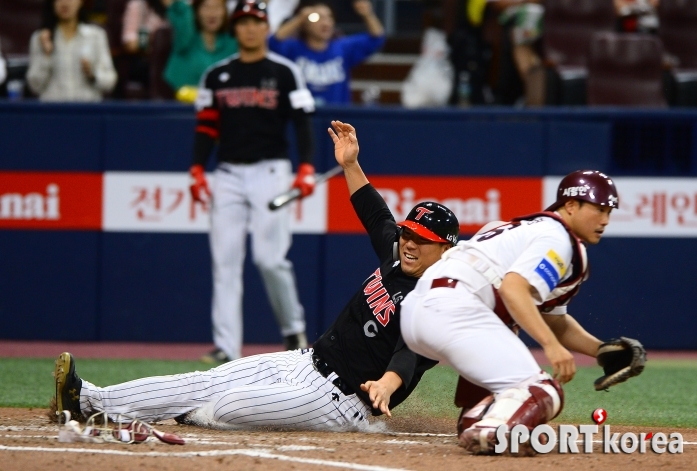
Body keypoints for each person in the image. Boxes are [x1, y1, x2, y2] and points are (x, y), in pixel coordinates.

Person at [52, 120, 460, 430]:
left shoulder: (436, 299)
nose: (409, 242)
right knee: (205, 382)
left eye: (422, 239)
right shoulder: (397, 254)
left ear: (446, 249)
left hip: (341, 401)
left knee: (226, 405)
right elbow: (374, 212)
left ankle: (188, 416)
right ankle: (87, 399)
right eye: (408, 232)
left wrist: (388, 383)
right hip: (306, 362)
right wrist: (351, 164)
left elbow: (410, 353)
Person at [399, 170, 644, 455]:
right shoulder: (559, 238)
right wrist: (551, 348)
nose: (605, 220)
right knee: (542, 390)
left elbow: (553, 319)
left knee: (508, 373)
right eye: (599, 209)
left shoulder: (523, 228)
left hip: (418, 310)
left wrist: (599, 350)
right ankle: (492, 430)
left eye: (609, 212)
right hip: (455, 309)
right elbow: (515, 291)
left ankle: (478, 419)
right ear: (571, 206)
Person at [191, 0, 315, 363]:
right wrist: (196, 168)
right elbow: (205, 126)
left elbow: (303, 122)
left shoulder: (284, 71)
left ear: (266, 28)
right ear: (235, 28)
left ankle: (293, 329)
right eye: (243, 22)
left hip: (271, 172)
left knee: (269, 258)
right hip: (227, 173)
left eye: (256, 22)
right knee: (225, 263)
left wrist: (306, 166)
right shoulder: (216, 74)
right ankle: (226, 348)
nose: (249, 28)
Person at [268, 0, 385, 106]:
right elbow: (272, 42)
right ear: (305, 24)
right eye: (318, 18)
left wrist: (367, 14)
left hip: (337, 119)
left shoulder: (342, 47)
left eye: (329, 17)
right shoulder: (293, 48)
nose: (325, 23)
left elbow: (377, 38)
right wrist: (299, 18)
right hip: (303, 118)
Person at [27, 0, 117, 101]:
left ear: (81, 2)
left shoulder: (96, 36)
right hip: (52, 111)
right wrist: (46, 56)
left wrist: (92, 75)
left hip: (86, 110)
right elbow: (34, 86)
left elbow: (110, 81)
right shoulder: (40, 38)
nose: (65, 3)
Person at [161, 0, 238, 94]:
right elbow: (179, 10)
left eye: (217, 7)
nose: (212, 13)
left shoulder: (233, 42)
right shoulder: (185, 36)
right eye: (206, 7)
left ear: (225, 11)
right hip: (180, 104)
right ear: (196, 11)